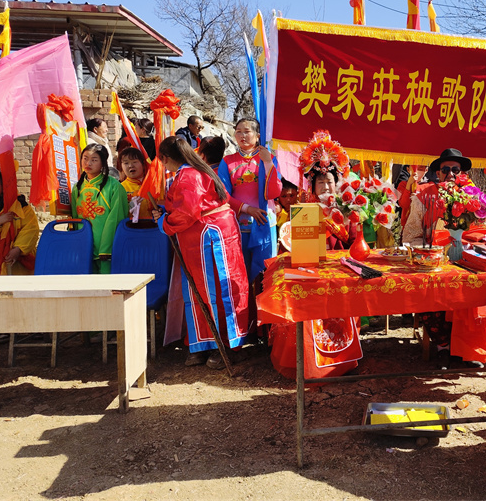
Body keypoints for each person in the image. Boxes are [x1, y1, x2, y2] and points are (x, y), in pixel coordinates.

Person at [269, 130, 362, 379]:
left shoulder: (348, 208)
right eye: (320, 182)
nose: (326, 186)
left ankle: (342, 358)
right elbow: (297, 246)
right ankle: (308, 358)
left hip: (342, 267)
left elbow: (355, 241)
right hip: (312, 268)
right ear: (312, 185)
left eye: (330, 181)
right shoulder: (304, 208)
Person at [152, 136, 249, 368]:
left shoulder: (189, 175)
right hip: (202, 236)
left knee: (218, 288)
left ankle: (225, 344)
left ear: (165, 158)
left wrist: (165, 222)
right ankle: (203, 343)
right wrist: (165, 212)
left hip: (209, 236)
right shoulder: (193, 171)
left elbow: (187, 211)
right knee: (199, 291)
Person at [402, 148, 485, 369]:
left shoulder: (473, 198)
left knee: (479, 290)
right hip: (433, 262)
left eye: (455, 170)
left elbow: (481, 232)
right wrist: (430, 251)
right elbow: (410, 236)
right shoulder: (423, 196)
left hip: (466, 261)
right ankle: (444, 346)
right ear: (438, 174)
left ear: (462, 174)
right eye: (445, 169)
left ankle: (467, 347)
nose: (450, 174)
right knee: (429, 292)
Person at [217, 118, 282, 281]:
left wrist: (268, 162)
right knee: (240, 271)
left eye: (247, 131)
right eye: (238, 131)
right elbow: (223, 194)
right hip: (239, 224)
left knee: (265, 273)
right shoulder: (227, 161)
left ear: (258, 135)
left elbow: (274, 192)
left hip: (265, 222)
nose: (242, 135)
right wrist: (247, 209)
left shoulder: (269, 158)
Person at [71, 143, 129, 273]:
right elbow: (75, 217)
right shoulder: (77, 188)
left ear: (103, 162)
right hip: (83, 244)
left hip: (106, 249)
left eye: (94, 160)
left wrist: (106, 249)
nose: (88, 163)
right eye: (85, 158)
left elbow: (116, 218)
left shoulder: (114, 187)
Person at [0, 159, 39, 275]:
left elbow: (30, 229)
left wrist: (18, 249)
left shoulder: (21, 207)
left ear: (4, 185)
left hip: (16, 263)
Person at [118, 147, 153, 221]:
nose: (130, 165)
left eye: (134, 162)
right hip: (130, 226)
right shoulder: (120, 188)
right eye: (126, 163)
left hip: (154, 226)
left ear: (143, 164)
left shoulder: (154, 184)